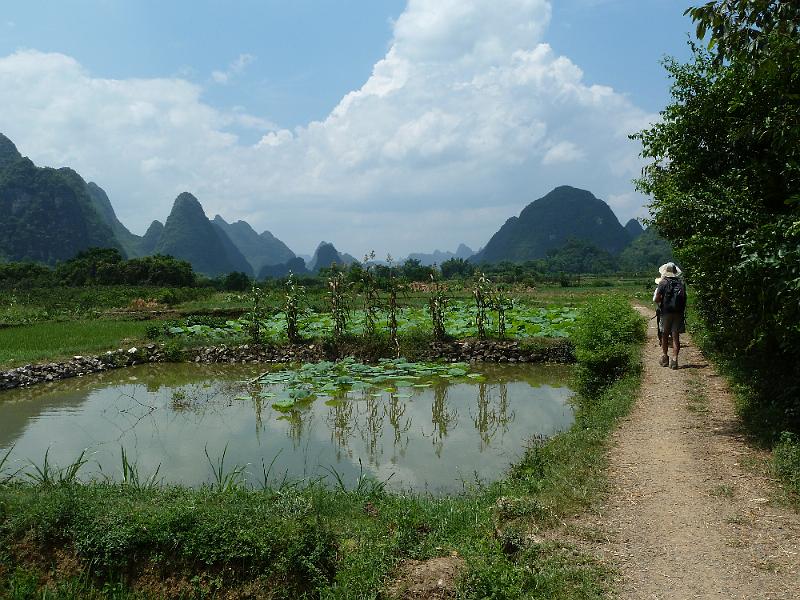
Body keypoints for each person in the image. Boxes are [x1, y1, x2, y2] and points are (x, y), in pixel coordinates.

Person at [653, 262, 686, 369]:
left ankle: (665, 357)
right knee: (675, 336)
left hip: (666, 312)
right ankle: (675, 359)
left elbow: (657, 298)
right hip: (678, 313)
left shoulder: (663, 283)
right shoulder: (681, 283)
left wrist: (662, 302)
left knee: (665, 335)